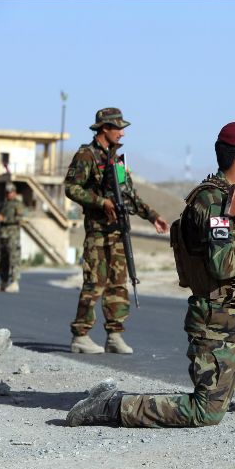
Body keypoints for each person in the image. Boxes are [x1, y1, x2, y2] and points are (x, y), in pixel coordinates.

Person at [66, 120, 235, 428]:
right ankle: (108, 406)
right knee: (205, 412)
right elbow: (222, 264)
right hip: (219, 317)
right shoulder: (211, 202)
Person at [64, 107, 169, 355]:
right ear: (104, 129)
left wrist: (153, 216)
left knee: (118, 284)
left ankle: (114, 334)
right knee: (94, 283)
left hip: (118, 232)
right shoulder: (86, 156)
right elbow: (71, 188)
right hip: (98, 233)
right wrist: (102, 203)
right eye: (118, 128)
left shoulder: (116, 160)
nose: (122, 133)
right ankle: (81, 335)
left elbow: (129, 196)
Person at [0, 182, 25, 293]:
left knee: (14, 258)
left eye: (10, 192)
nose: (8, 194)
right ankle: (4, 283)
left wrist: (5, 219)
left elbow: (20, 220)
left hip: (13, 235)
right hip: (3, 235)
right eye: (7, 192)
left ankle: (15, 283)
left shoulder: (18, 204)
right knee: (3, 260)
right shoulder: (4, 204)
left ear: (14, 192)